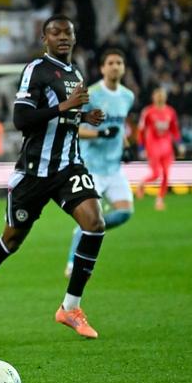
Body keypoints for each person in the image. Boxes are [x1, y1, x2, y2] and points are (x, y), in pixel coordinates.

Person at [0, 14, 106, 342]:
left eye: (67, 32)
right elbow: (21, 118)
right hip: (34, 172)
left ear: (74, 38)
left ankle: (70, 307)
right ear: (44, 39)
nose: (62, 37)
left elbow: (64, 117)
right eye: (55, 32)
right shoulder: (37, 70)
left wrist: (83, 116)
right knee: (10, 241)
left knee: (94, 223)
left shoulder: (76, 73)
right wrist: (67, 106)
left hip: (68, 167)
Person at [64, 48, 136, 277]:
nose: (115, 67)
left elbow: (119, 126)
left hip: (114, 168)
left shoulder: (128, 96)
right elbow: (73, 126)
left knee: (125, 212)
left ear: (124, 68)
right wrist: (99, 134)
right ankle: (72, 262)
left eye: (119, 63)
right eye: (111, 63)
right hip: (91, 167)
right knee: (89, 219)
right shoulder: (91, 95)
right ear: (103, 68)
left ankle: (88, 228)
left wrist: (125, 145)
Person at [136, 87, 184, 210]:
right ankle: (142, 184)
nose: (160, 98)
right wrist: (141, 148)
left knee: (166, 174)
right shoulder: (148, 112)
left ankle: (160, 200)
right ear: (153, 97)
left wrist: (180, 144)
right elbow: (141, 130)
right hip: (152, 145)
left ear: (165, 97)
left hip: (167, 146)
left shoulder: (170, 112)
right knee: (156, 174)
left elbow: (174, 129)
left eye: (162, 95)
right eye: (158, 95)